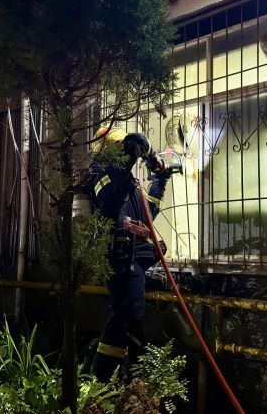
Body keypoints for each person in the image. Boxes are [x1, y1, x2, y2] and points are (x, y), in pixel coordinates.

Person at [88, 127, 171, 382]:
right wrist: (134, 158)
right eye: (121, 150)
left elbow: (148, 214)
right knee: (127, 314)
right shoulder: (102, 175)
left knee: (126, 316)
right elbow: (111, 204)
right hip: (122, 255)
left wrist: (160, 181)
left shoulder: (127, 181)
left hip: (136, 255)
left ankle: (107, 382)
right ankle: (101, 380)